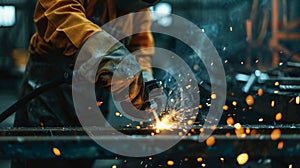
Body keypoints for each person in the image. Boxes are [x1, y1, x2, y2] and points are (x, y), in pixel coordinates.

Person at [12, 0, 160, 167]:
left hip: (94, 99)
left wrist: (144, 75)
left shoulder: (139, 8)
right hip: (52, 91)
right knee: (41, 158)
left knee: (81, 158)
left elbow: (140, 44)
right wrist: (101, 48)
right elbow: (60, 14)